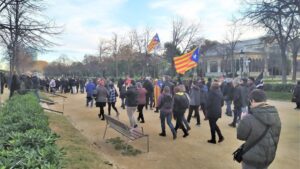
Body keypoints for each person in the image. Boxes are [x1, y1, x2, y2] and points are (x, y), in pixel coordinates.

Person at [237, 89, 281, 169]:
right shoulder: (276, 116)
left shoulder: (249, 118)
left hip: (251, 157)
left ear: (252, 100)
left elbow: (241, 136)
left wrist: (242, 120)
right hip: (268, 156)